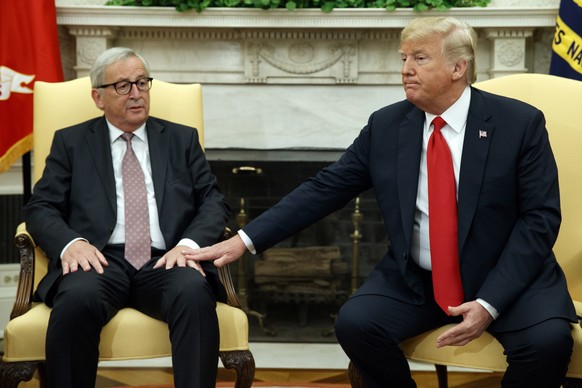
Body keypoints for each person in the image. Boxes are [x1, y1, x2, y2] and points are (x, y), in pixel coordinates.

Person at [185, 16, 578, 387]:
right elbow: (325, 188)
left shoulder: (518, 124)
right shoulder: (388, 126)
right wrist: (244, 240)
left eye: (420, 58)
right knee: (357, 324)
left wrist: (490, 302)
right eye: (403, 58)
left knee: (547, 344)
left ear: (458, 68)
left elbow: (539, 219)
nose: (406, 68)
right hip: (417, 281)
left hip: (508, 278)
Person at [24, 47, 230, 388]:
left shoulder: (181, 139)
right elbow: (40, 206)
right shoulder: (72, 142)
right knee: (76, 299)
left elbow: (212, 201)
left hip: (167, 259)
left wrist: (188, 245)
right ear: (98, 97)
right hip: (100, 259)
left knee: (194, 292)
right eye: (123, 86)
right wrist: (71, 244)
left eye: (142, 83)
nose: (136, 94)